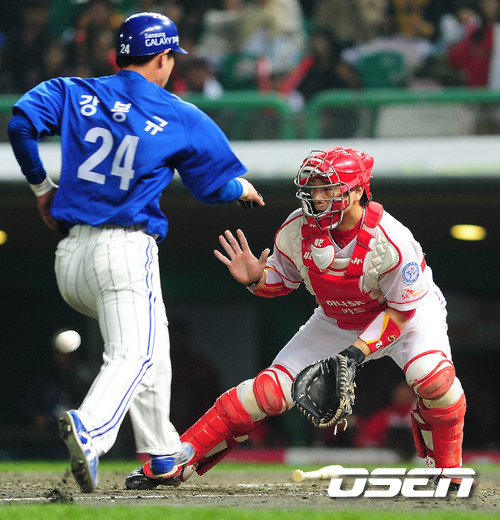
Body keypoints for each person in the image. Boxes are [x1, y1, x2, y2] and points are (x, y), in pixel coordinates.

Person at [7, 12, 264, 494]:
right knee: (135, 352)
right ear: (164, 58)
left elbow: (20, 123)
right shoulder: (179, 113)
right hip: (123, 250)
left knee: (153, 342)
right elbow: (212, 187)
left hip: (70, 258)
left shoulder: (74, 90)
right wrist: (241, 189)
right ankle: (91, 429)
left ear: (120, 55)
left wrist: (42, 187)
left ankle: (161, 451)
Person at [125, 146, 467, 492]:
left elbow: (401, 311)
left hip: (407, 315)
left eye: (327, 189)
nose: (316, 197)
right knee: (267, 393)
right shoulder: (296, 228)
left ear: (356, 193)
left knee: (434, 380)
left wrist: (355, 354)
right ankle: (179, 459)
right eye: (313, 188)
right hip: (337, 318)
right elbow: (282, 280)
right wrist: (257, 279)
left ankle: (448, 470)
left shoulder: (393, 239)